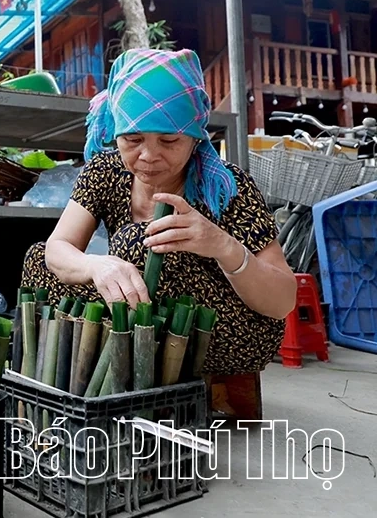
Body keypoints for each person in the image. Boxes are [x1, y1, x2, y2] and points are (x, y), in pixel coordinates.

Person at [22, 48, 295, 379]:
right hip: (140, 318)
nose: (149, 155)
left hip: (225, 334)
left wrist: (223, 247)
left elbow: (283, 301)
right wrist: (97, 265)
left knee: (139, 242)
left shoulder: (226, 187)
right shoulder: (106, 171)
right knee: (39, 262)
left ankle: (138, 383)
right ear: (115, 133)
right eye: (133, 139)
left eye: (169, 140)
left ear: (195, 139)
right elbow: (57, 249)